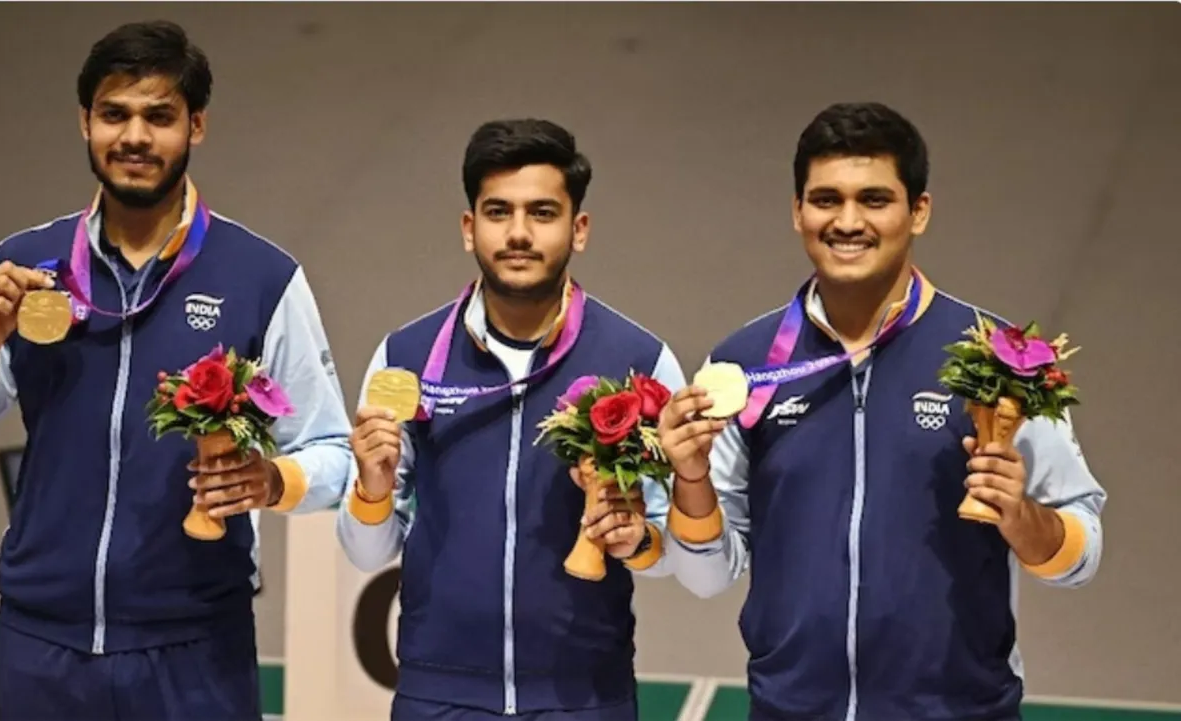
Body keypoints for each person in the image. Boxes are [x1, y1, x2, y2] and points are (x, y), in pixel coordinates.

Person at [0, 21, 354, 721]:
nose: (135, 136)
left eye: (159, 116)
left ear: (196, 126)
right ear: (85, 122)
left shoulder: (262, 276)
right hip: (39, 643)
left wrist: (271, 479)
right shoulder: (22, 266)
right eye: (114, 113)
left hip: (196, 646)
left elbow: (334, 455)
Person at [657, 102, 1107, 721]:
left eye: (874, 199)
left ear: (917, 211)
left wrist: (1022, 517)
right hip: (789, 710)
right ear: (797, 212)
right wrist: (690, 478)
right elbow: (706, 577)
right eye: (825, 199)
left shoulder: (1002, 361)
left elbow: (1081, 556)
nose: (847, 221)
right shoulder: (745, 366)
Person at [338, 118, 684, 720]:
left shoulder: (639, 361)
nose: (519, 233)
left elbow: (674, 550)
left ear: (579, 229)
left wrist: (637, 541)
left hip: (583, 697)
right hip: (438, 693)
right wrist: (371, 486)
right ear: (470, 228)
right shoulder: (406, 357)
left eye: (542, 213)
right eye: (499, 212)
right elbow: (368, 554)